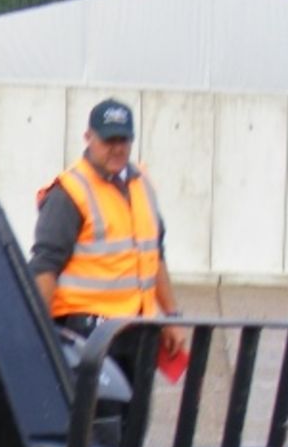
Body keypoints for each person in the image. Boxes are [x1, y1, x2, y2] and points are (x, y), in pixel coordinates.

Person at [30, 98, 186, 373]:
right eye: (108, 140)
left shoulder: (142, 183)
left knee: (134, 416)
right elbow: (45, 266)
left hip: (138, 329)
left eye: (123, 141)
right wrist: (34, 336)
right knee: (94, 415)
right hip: (87, 334)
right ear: (88, 138)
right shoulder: (70, 192)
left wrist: (171, 316)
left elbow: (154, 254)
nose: (117, 149)